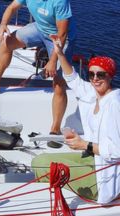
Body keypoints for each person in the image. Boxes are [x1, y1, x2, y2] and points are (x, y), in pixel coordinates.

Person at [0, 0, 76, 148]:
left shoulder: (59, 1)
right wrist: (3, 25)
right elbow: (12, 7)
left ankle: (55, 129)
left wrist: (53, 60)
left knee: (58, 83)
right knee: (6, 44)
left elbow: (63, 33)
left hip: (60, 38)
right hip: (40, 29)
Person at [33, 35, 120, 204]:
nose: (95, 78)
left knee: (43, 166)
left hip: (104, 180)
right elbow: (72, 78)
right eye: (91, 74)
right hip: (93, 159)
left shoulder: (115, 105)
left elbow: (116, 151)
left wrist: (84, 144)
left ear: (110, 76)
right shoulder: (92, 93)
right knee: (40, 161)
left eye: (100, 74)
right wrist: (59, 52)